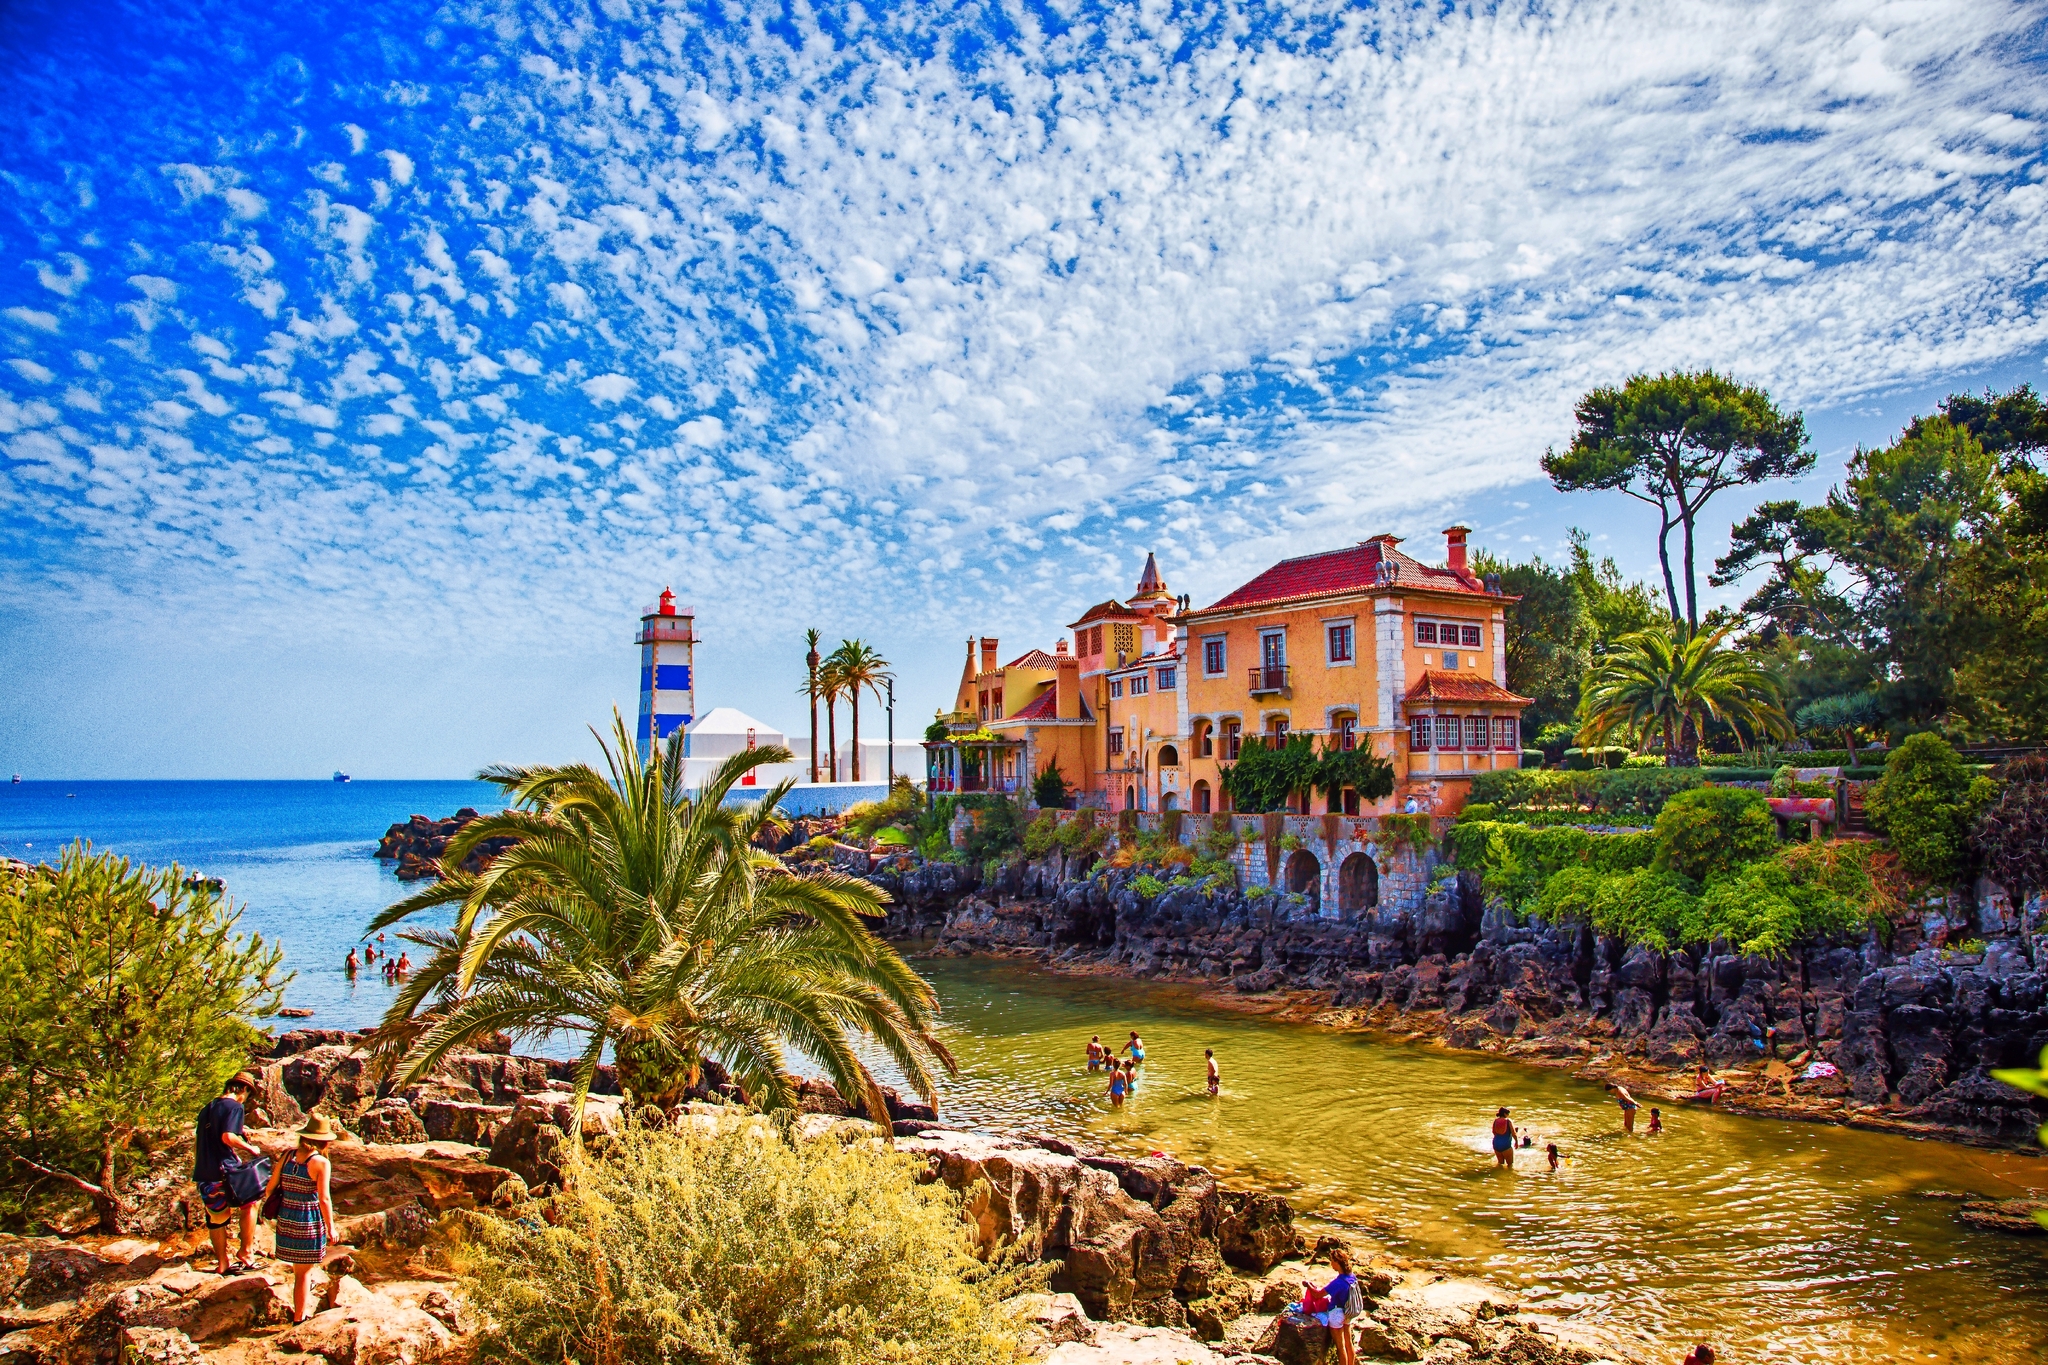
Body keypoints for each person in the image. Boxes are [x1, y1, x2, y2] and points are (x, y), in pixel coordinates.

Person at [261, 1114, 339, 1323]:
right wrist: (331, 1227)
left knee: (299, 1270)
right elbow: (324, 1199)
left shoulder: (287, 1156)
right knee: (304, 1273)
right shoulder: (321, 1162)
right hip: (308, 1218)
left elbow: (270, 1188)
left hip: (287, 1216)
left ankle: (300, 1310)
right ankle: (299, 1317)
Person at [194, 1073, 263, 1274]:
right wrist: (251, 1149)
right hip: (226, 1169)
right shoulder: (234, 1107)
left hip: (205, 1172)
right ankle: (246, 1252)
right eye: (247, 1095)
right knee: (252, 1202)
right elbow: (227, 1137)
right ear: (244, 1090)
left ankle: (222, 1263)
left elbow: (200, 1141)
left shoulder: (207, 1108)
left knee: (216, 1216)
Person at [1302, 1245, 1359, 1365]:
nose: (1331, 1264)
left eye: (1332, 1261)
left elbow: (1318, 1294)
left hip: (1337, 1314)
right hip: (1348, 1312)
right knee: (1349, 1343)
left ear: (1337, 1263)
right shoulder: (1351, 1277)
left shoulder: (1338, 1282)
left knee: (1341, 1347)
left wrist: (1308, 1285)